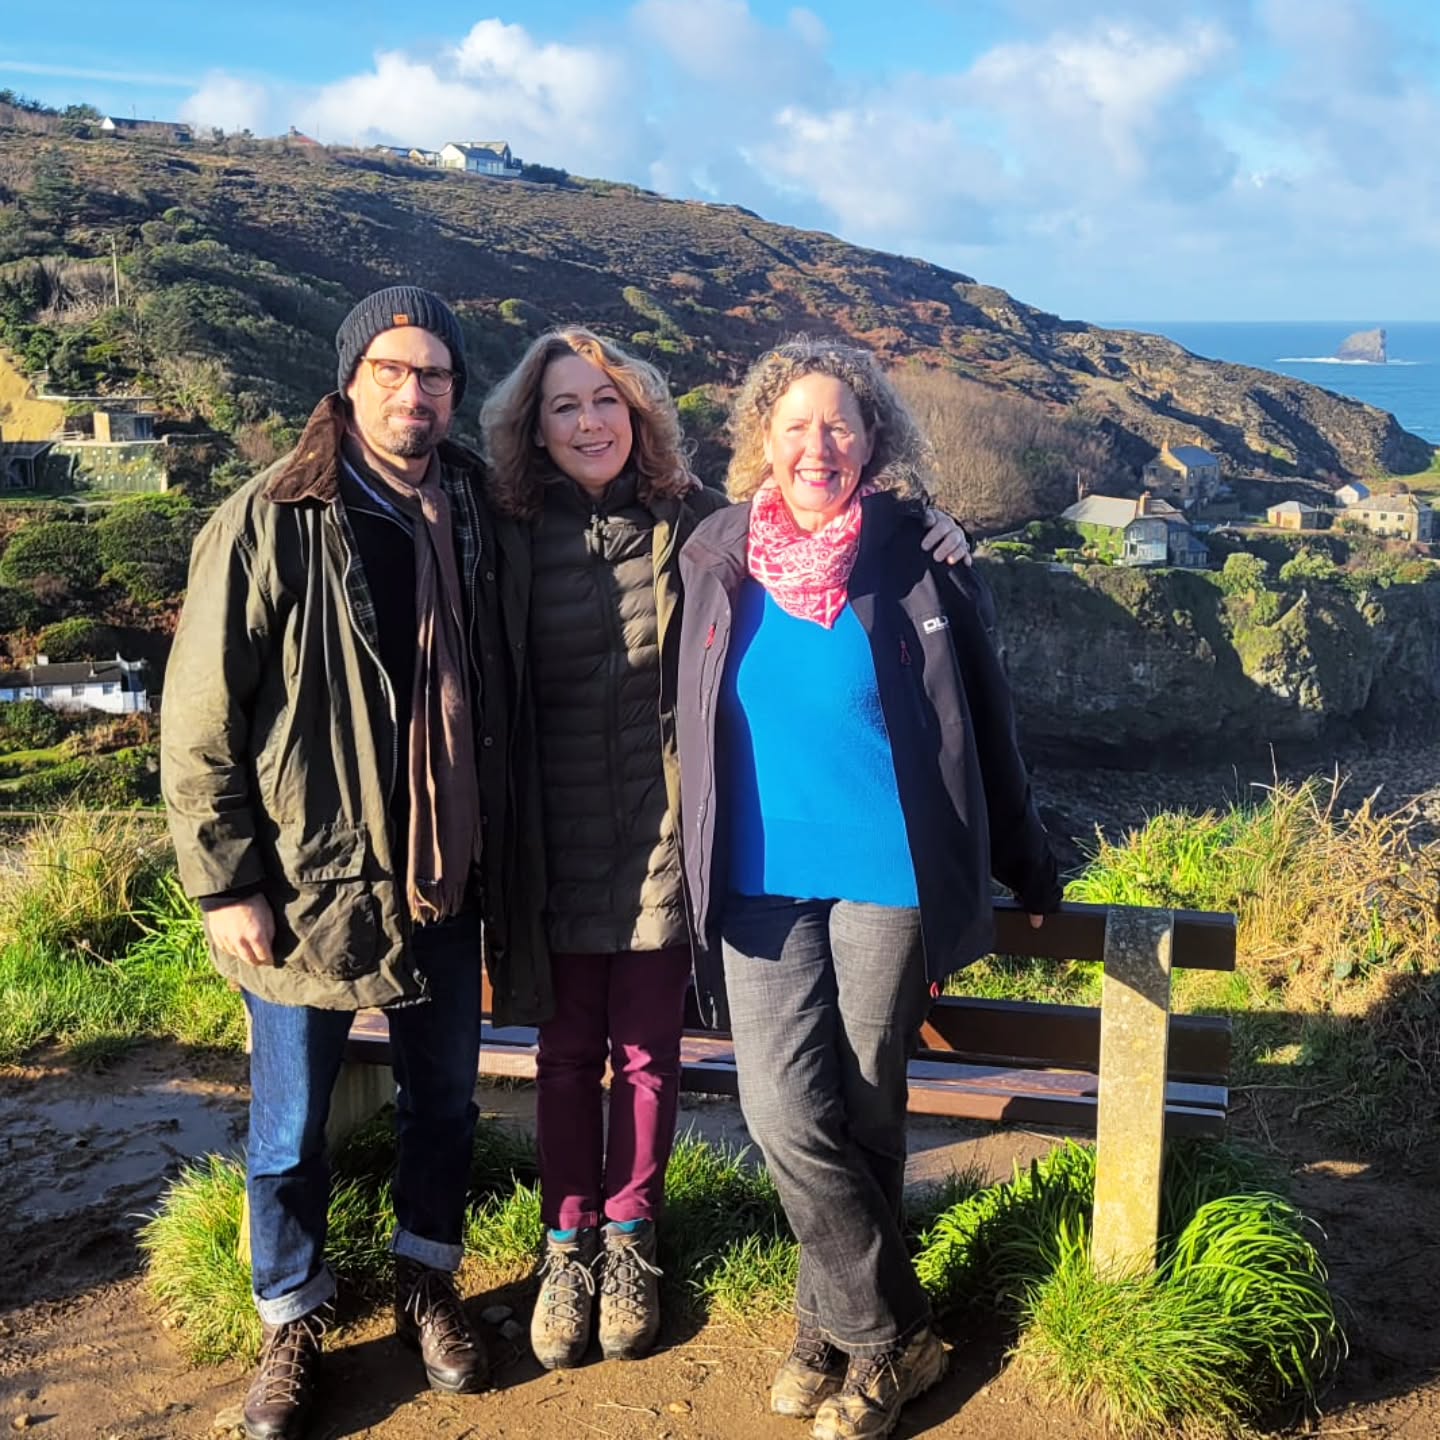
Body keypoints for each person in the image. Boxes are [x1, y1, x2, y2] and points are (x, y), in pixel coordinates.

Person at [478, 329, 971, 1373]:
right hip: (609, 847)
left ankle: (813, 1321)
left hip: (712, 849)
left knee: (825, 1096)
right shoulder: (548, 532)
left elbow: (970, 709)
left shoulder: (705, 529)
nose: (587, 422)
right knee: (697, 1088)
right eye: (563, 407)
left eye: (605, 402)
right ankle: (585, 1255)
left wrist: (936, 524)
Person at [161, 287, 541, 1440]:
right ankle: (291, 1314)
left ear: (455, 391)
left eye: (434, 373)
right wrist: (226, 881)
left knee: (444, 1107)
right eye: (391, 368)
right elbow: (201, 720)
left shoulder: (480, 507)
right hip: (305, 884)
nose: (413, 391)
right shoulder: (274, 515)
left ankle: (427, 1279)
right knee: (288, 1131)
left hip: (448, 874)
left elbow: (630, 526)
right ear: (349, 379)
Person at [675, 338, 1061, 1440]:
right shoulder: (714, 553)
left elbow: (984, 724)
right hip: (756, 882)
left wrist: (1029, 859)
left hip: (888, 874)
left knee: (868, 1106)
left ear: (872, 439)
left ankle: (828, 1327)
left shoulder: (920, 557)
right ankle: (896, 1333)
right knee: (784, 1110)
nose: (817, 446)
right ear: (760, 442)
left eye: (839, 425)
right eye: (793, 426)